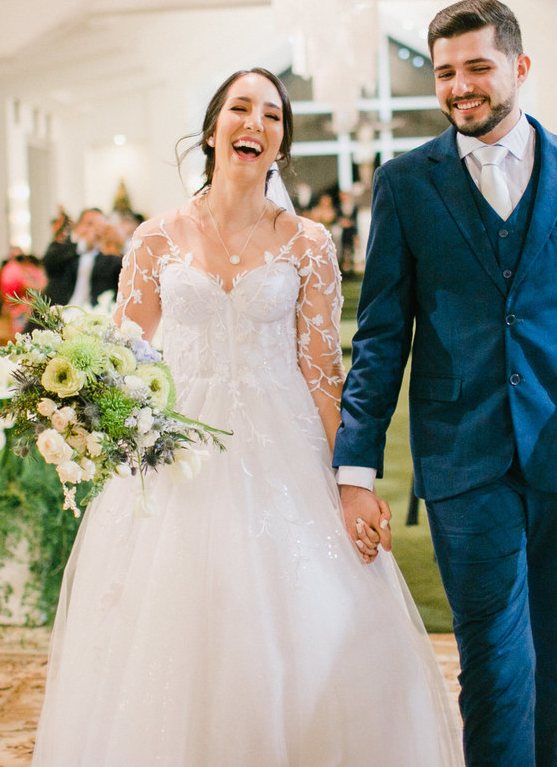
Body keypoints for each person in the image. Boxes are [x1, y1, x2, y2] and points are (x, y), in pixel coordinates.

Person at [31, 68, 463, 767]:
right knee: (174, 628)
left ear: (281, 143)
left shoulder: (309, 243)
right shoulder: (154, 239)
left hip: (282, 441)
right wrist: (93, 426)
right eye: (240, 108)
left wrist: (352, 481)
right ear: (212, 130)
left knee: (301, 624)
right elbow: (121, 358)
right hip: (177, 451)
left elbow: (324, 374)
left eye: (272, 114)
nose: (255, 123)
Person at [332, 0, 557, 767]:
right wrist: (355, 469)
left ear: (519, 68)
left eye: (476, 67)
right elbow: (380, 337)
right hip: (463, 454)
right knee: (496, 658)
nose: (458, 86)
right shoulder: (405, 183)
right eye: (444, 73)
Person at [42, 207, 122, 307]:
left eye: (100, 227)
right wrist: (84, 245)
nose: (94, 230)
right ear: (77, 227)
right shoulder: (63, 249)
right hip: (58, 313)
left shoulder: (109, 260)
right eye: (89, 224)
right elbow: (49, 263)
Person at [0, 248, 47, 333]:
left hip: (22, 307)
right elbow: (28, 285)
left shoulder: (22, 268)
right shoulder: (13, 269)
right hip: (20, 309)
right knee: (23, 336)